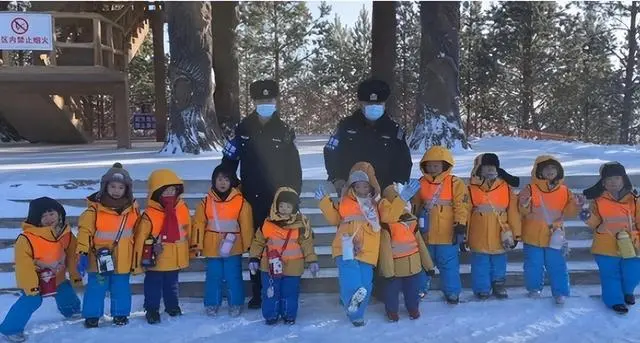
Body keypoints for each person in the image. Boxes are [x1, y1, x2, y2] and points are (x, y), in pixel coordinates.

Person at [221, 79, 302, 309]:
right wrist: (232, 185)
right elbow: (228, 161)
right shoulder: (243, 129)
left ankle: (283, 289)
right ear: (254, 102)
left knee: (280, 245)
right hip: (250, 199)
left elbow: (294, 167)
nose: (265, 103)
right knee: (256, 246)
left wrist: (293, 196)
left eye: (269, 99)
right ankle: (258, 291)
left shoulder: (285, 130)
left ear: (275, 101)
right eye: (260, 100)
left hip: (279, 201)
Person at [0, 197, 82, 342]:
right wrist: (30, 286)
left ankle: (73, 311)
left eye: (51, 213)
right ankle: (10, 329)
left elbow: (72, 255)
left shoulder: (66, 234)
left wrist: (75, 274)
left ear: (59, 213)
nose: (49, 218)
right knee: (31, 301)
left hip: (58, 276)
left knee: (65, 291)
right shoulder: (27, 238)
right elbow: (23, 265)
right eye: (43, 216)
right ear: (36, 218)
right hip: (35, 280)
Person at [316, 162, 381, 327]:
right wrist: (324, 202)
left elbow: (389, 215)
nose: (362, 190)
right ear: (352, 187)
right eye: (358, 186)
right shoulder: (344, 201)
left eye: (365, 186)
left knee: (366, 284)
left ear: (370, 186)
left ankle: (356, 310)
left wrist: (401, 200)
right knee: (350, 279)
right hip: (346, 244)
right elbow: (334, 219)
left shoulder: (377, 203)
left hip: (368, 248)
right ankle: (354, 314)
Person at [76, 163, 140, 328]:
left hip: (123, 258)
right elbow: (84, 232)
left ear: (127, 190)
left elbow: (138, 231)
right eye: (112, 186)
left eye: (121, 187)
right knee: (96, 288)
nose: (116, 190)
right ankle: (92, 315)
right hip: (99, 258)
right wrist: (82, 252)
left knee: (121, 288)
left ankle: (120, 314)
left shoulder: (133, 210)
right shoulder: (94, 211)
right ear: (105, 187)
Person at [324, 78, 412, 194]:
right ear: (360, 103)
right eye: (369, 103)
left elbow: (404, 161)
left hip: (385, 193)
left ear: (384, 104)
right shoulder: (345, 127)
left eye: (378, 103)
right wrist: (336, 178)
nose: (374, 107)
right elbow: (331, 151)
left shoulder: (394, 130)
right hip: (351, 190)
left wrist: (397, 184)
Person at [248, 187, 318, 325]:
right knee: (270, 293)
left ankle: (289, 314)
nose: (284, 209)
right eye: (281, 205)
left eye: (288, 206)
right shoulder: (267, 223)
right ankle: (271, 315)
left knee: (290, 293)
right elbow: (258, 241)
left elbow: (307, 243)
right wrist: (254, 258)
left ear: (294, 207)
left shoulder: (301, 225)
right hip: (269, 267)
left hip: (293, 267)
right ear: (275, 205)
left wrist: (312, 260)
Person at [132, 169, 194, 324]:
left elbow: (188, 230)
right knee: (153, 286)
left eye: (173, 190)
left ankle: (172, 306)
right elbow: (140, 238)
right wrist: (149, 249)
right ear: (156, 192)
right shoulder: (150, 215)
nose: (170, 194)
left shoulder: (182, 208)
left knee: (172, 285)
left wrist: (192, 249)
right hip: (156, 258)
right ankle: (151, 309)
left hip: (175, 257)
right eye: (166, 191)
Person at [192, 164, 254, 317]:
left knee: (233, 276)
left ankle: (236, 303)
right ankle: (212, 303)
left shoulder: (241, 202)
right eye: (219, 179)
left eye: (226, 179)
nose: (222, 183)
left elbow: (246, 225)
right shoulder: (205, 202)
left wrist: (249, 246)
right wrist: (197, 244)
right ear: (214, 181)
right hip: (211, 245)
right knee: (214, 276)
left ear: (232, 181)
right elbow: (199, 223)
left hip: (233, 245)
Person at [519, 156, 581, 305]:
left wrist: (576, 204)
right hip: (532, 235)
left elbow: (570, 212)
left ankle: (560, 292)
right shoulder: (529, 189)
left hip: (555, 236)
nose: (550, 171)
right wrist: (524, 204)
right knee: (533, 265)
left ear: (559, 171)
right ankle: (534, 289)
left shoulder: (565, 191)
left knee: (557, 265)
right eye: (546, 168)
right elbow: (521, 211)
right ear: (538, 171)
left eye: (553, 168)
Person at [411, 146, 469, 304]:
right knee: (423, 264)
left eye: (436, 165)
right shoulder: (420, 183)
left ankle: (452, 292)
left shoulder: (454, 182)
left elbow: (461, 205)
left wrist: (460, 226)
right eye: (429, 165)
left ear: (445, 165)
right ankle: (420, 289)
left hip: (447, 234)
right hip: (425, 234)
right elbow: (415, 205)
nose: (432, 168)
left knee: (449, 266)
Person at [582, 162, 640, 314]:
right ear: (603, 183)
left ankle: (627, 292)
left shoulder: (634, 200)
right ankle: (615, 301)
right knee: (610, 276)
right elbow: (595, 223)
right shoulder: (598, 201)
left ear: (623, 180)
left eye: (617, 178)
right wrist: (587, 216)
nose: (613, 182)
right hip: (605, 245)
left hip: (632, 245)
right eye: (609, 180)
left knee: (633, 273)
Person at [378, 184, 435, 322]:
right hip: (395, 270)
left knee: (413, 292)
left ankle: (413, 308)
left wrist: (429, 266)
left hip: (413, 267)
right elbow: (385, 251)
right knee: (392, 292)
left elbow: (420, 246)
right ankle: (391, 311)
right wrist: (388, 272)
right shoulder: (387, 226)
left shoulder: (411, 222)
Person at [467, 153, 521, 300]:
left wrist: (516, 234)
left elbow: (513, 212)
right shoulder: (471, 188)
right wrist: (463, 235)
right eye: (486, 167)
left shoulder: (506, 187)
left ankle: (499, 285)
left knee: (499, 262)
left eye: (493, 167)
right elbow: (465, 212)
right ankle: (482, 288)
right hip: (478, 233)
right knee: (480, 263)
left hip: (501, 232)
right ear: (478, 169)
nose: (490, 170)